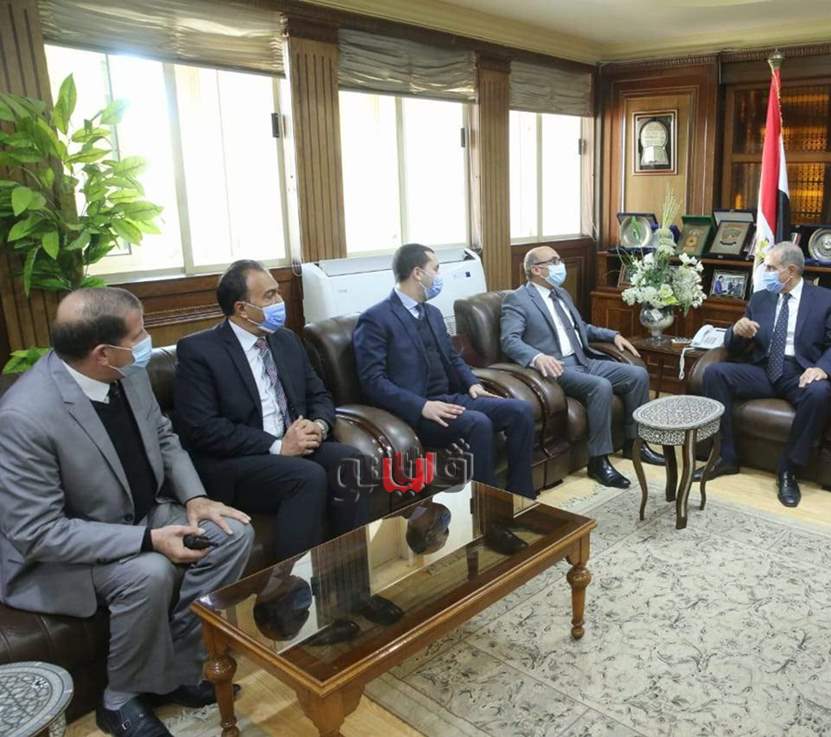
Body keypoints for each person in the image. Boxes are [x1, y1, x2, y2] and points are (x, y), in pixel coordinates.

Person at [0, 288, 254, 737]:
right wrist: (148, 540)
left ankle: (179, 670)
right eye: (138, 335)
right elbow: (38, 533)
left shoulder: (127, 375)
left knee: (231, 532)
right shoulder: (25, 416)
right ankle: (119, 699)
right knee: (149, 572)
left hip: (141, 514)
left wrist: (195, 498)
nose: (146, 341)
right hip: (62, 555)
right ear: (102, 353)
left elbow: (164, 436)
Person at [175, 260, 372, 562]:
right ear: (242, 309)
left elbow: (319, 394)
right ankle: (289, 582)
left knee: (353, 462)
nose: (280, 301)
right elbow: (203, 428)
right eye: (269, 296)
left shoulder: (286, 340)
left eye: (278, 292)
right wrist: (278, 446)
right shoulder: (199, 351)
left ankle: (350, 567)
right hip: (240, 460)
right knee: (307, 476)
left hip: (295, 444)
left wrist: (318, 425)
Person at [354, 244, 536, 498]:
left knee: (520, 411)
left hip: (450, 399)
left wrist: (472, 383)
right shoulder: (376, 319)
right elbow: (373, 381)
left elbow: (452, 357)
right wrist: (421, 406)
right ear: (418, 273)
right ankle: (488, 505)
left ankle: (521, 496)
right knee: (479, 423)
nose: (439, 276)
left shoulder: (433, 313)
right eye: (436, 269)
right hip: (415, 410)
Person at [697, 242, 831, 507]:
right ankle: (725, 457)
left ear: (790, 271)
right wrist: (736, 331)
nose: (764, 272)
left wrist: (821, 369)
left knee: (819, 392)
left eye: (769, 267)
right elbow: (735, 346)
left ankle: (788, 469)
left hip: (798, 372)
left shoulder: (825, 300)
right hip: (763, 369)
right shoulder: (761, 297)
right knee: (715, 373)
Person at [500, 245, 662, 489]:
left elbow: (580, 328)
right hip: (556, 368)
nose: (560, 265)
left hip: (583, 359)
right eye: (554, 261)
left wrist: (613, 335)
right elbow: (509, 340)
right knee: (600, 386)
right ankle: (598, 460)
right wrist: (537, 357)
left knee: (637, 375)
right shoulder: (518, 299)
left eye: (560, 260)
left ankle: (635, 444)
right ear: (536, 270)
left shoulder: (561, 293)